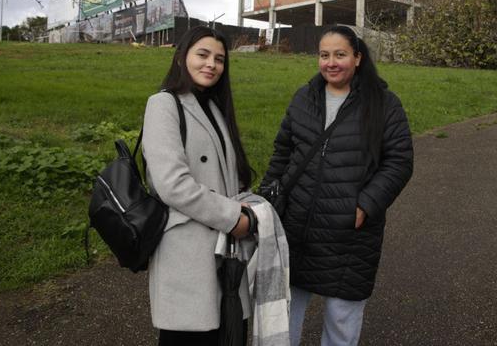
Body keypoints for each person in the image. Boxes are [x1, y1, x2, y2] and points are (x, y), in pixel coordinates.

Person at [261, 25, 414, 346]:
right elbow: (282, 152)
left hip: (349, 234)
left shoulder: (384, 104)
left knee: (341, 323)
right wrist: (266, 199)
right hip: (295, 226)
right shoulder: (304, 98)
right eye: (324, 55)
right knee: (282, 321)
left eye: (340, 55)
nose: (331, 63)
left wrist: (365, 206)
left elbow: (399, 161)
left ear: (358, 58)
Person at [142, 26, 257, 346]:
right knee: (190, 337)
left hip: (225, 252)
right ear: (181, 57)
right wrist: (233, 218)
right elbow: (172, 184)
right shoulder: (163, 104)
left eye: (219, 59)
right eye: (203, 55)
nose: (212, 64)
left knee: (228, 334)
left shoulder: (216, 108)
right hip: (188, 252)